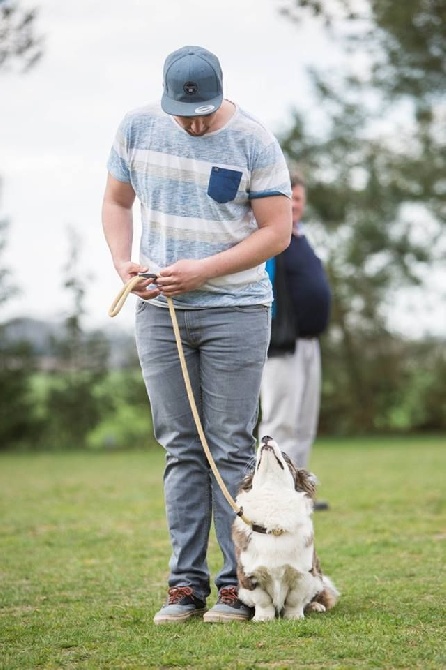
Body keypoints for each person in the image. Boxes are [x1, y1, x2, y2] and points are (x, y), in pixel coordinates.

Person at [102, 45, 292, 624]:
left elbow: (278, 231)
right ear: (166, 100)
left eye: (205, 113)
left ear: (220, 93)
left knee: (229, 446)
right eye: (186, 115)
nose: (196, 123)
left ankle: (240, 587)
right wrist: (124, 264)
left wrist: (203, 271)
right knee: (180, 446)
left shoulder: (255, 141)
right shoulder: (136, 128)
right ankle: (186, 586)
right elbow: (115, 201)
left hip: (236, 309)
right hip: (161, 312)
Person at [258, 173, 331, 510]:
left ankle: (298, 494)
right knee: (280, 420)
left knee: (303, 423)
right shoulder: (272, 239)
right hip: (280, 344)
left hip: (308, 343)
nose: (296, 204)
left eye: (300, 199)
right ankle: (271, 494)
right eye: (290, 198)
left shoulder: (300, 237)